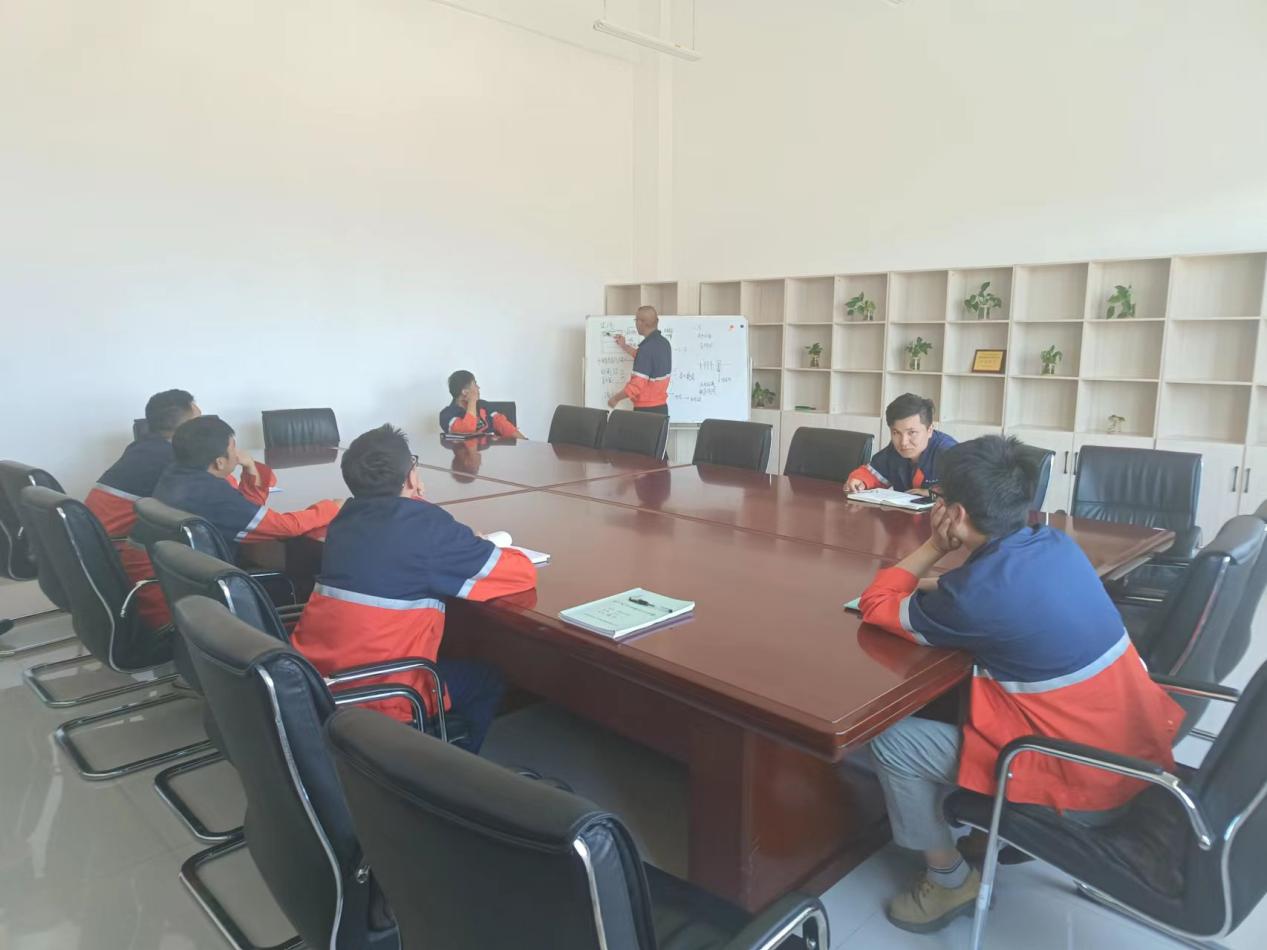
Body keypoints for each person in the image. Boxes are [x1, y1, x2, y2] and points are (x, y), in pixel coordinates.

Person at [857, 436, 1183, 933]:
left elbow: (875, 604)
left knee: (892, 741)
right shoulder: (1054, 544)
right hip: (1135, 756)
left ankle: (948, 880)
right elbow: (978, 591)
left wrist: (933, 546)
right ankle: (983, 831)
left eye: (940, 500)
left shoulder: (977, 599)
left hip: (1084, 785)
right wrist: (935, 582)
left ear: (956, 513)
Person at [290, 424, 536, 753]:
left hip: (316, 678)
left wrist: (418, 505)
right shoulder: (427, 529)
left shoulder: (343, 519)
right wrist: (480, 544)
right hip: (383, 693)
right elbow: (520, 574)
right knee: (488, 679)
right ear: (410, 477)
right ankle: (450, 769)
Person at [85, 390, 201, 628]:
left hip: (96, 547)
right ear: (187, 426)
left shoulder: (144, 447)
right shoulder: (169, 458)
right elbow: (211, 500)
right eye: (199, 419)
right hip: (119, 551)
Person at [152, 415, 342, 558]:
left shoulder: (175, 474)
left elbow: (247, 512)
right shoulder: (214, 496)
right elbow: (287, 527)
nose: (237, 454)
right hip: (216, 582)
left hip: (182, 573)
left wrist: (250, 468)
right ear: (219, 462)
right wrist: (331, 508)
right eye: (233, 447)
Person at [844, 393, 956, 495]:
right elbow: (874, 473)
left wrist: (933, 494)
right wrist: (860, 481)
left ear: (930, 430)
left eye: (912, 432)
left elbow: (965, 493)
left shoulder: (949, 452)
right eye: (896, 433)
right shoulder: (894, 450)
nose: (903, 442)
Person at [608, 306, 671, 416]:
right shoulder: (664, 343)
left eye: (636, 320)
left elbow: (635, 386)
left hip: (646, 411)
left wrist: (615, 399)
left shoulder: (646, 349)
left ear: (641, 323)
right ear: (656, 321)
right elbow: (645, 358)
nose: (636, 323)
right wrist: (624, 346)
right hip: (661, 408)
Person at [439, 371, 525, 438]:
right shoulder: (447, 415)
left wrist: (526, 444)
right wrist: (472, 401)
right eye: (475, 384)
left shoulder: (483, 406)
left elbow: (504, 425)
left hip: (488, 453)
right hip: (465, 454)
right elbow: (468, 430)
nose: (478, 387)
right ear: (464, 392)